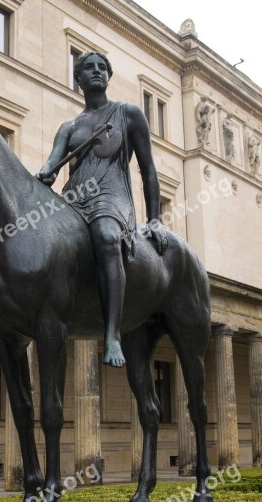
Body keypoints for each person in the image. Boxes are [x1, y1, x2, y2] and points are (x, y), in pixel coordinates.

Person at [36, 52, 168, 367]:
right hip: (74, 197)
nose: (96, 71)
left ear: (108, 77)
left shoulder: (129, 114)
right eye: (88, 68)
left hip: (112, 194)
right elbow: (52, 162)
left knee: (107, 237)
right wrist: (47, 171)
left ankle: (112, 335)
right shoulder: (69, 127)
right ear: (78, 79)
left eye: (102, 68)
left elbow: (148, 170)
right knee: (36, 246)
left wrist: (155, 220)